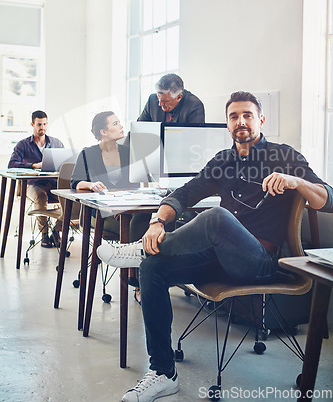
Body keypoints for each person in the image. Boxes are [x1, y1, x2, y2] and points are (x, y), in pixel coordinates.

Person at [97, 91, 333, 402]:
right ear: (227, 124)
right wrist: (157, 222)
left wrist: (295, 182)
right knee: (152, 268)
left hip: (260, 263)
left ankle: (140, 249)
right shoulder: (223, 161)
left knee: (217, 217)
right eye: (234, 116)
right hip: (220, 257)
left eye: (248, 115)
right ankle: (163, 373)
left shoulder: (284, 156)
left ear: (261, 120)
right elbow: (185, 193)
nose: (241, 121)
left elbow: (327, 198)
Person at [70, 111, 150, 304]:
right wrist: (90, 185)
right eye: (115, 123)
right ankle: (139, 282)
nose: (121, 126)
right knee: (137, 225)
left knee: (146, 219)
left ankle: (139, 276)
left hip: (127, 210)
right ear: (103, 131)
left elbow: (138, 183)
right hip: (101, 214)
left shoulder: (126, 152)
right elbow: (75, 182)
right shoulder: (88, 153)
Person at [8, 110, 64, 248]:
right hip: (33, 185)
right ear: (32, 124)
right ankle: (44, 234)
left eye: (45, 124)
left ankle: (56, 231)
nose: (42, 128)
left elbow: (65, 161)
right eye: (39, 124)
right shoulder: (23, 145)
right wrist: (33, 165)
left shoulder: (56, 143)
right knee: (40, 196)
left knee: (70, 197)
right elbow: (12, 165)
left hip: (53, 183)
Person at [138, 73, 205, 123]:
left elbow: (196, 138)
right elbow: (138, 129)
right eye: (159, 99)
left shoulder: (194, 106)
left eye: (165, 101)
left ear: (179, 97)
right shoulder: (152, 100)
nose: (160, 104)